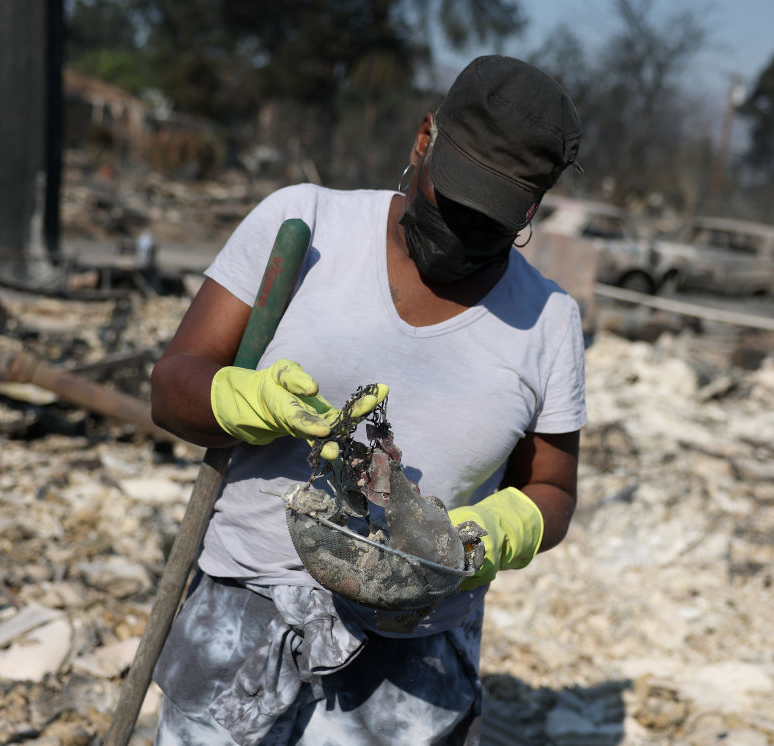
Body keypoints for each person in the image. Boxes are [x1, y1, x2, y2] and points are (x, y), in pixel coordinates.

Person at [149, 54, 586, 745]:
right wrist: (245, 400)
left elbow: (554, 489)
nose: (467, 231)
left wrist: (488, 536)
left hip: (411, 658)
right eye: (457, 198)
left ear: (532, 208)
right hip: (245, 621)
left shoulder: (548, 321)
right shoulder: (306, 226)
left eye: (493, 220)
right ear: (424, 140)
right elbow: (172, 386)